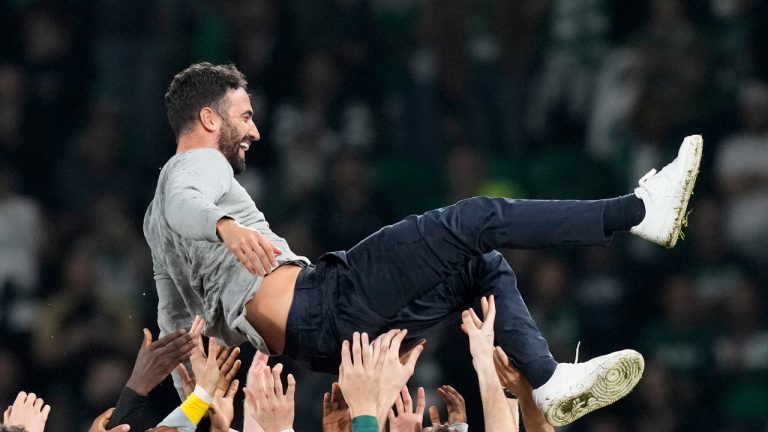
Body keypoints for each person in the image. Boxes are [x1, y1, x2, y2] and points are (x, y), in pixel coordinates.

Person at [144, 62, 703, 426]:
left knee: (477, 267)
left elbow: (174, 327)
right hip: (323, 301)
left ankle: (550, 380)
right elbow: (186, 205)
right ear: (209, 117)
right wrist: (226, 226)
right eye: (244, 116)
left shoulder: (155, 220)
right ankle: (638, 211)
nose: (255, 130)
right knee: (477, 219)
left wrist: (191, 416)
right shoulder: (195, 169)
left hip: (319, 345)